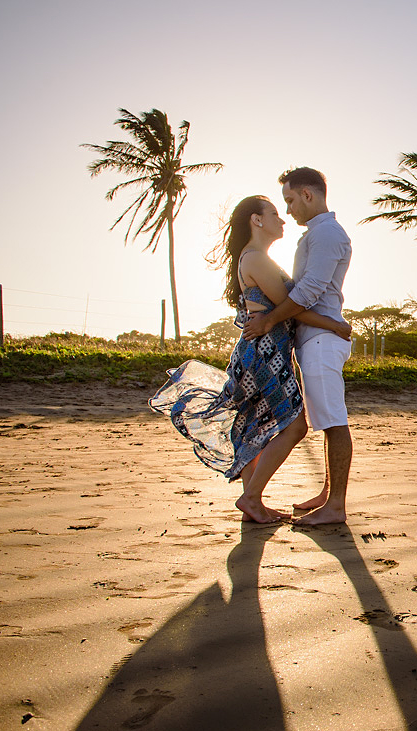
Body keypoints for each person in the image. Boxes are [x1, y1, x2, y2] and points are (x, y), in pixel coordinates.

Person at [150, 195, 350, 523]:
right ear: (256, 221)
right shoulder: (256, 258)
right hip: (265, 354)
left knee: (253, 425)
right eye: (274, 213)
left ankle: (252, 505)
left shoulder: (253, 257)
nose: (282, 218)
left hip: (260, 353)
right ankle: (252, 497)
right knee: (295, 426)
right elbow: (292, 304)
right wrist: (334, 324)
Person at [243, 167, 353, 526]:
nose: (288, 210)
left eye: (290, 200)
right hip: (313, 339)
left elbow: (307, 293)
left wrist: (270, 320)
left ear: (308, 195)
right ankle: (327, 494)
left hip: (322, 341)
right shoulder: (314, 236)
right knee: (325, 419)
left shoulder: (326, 235)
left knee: (333, 421)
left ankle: (336, 505)